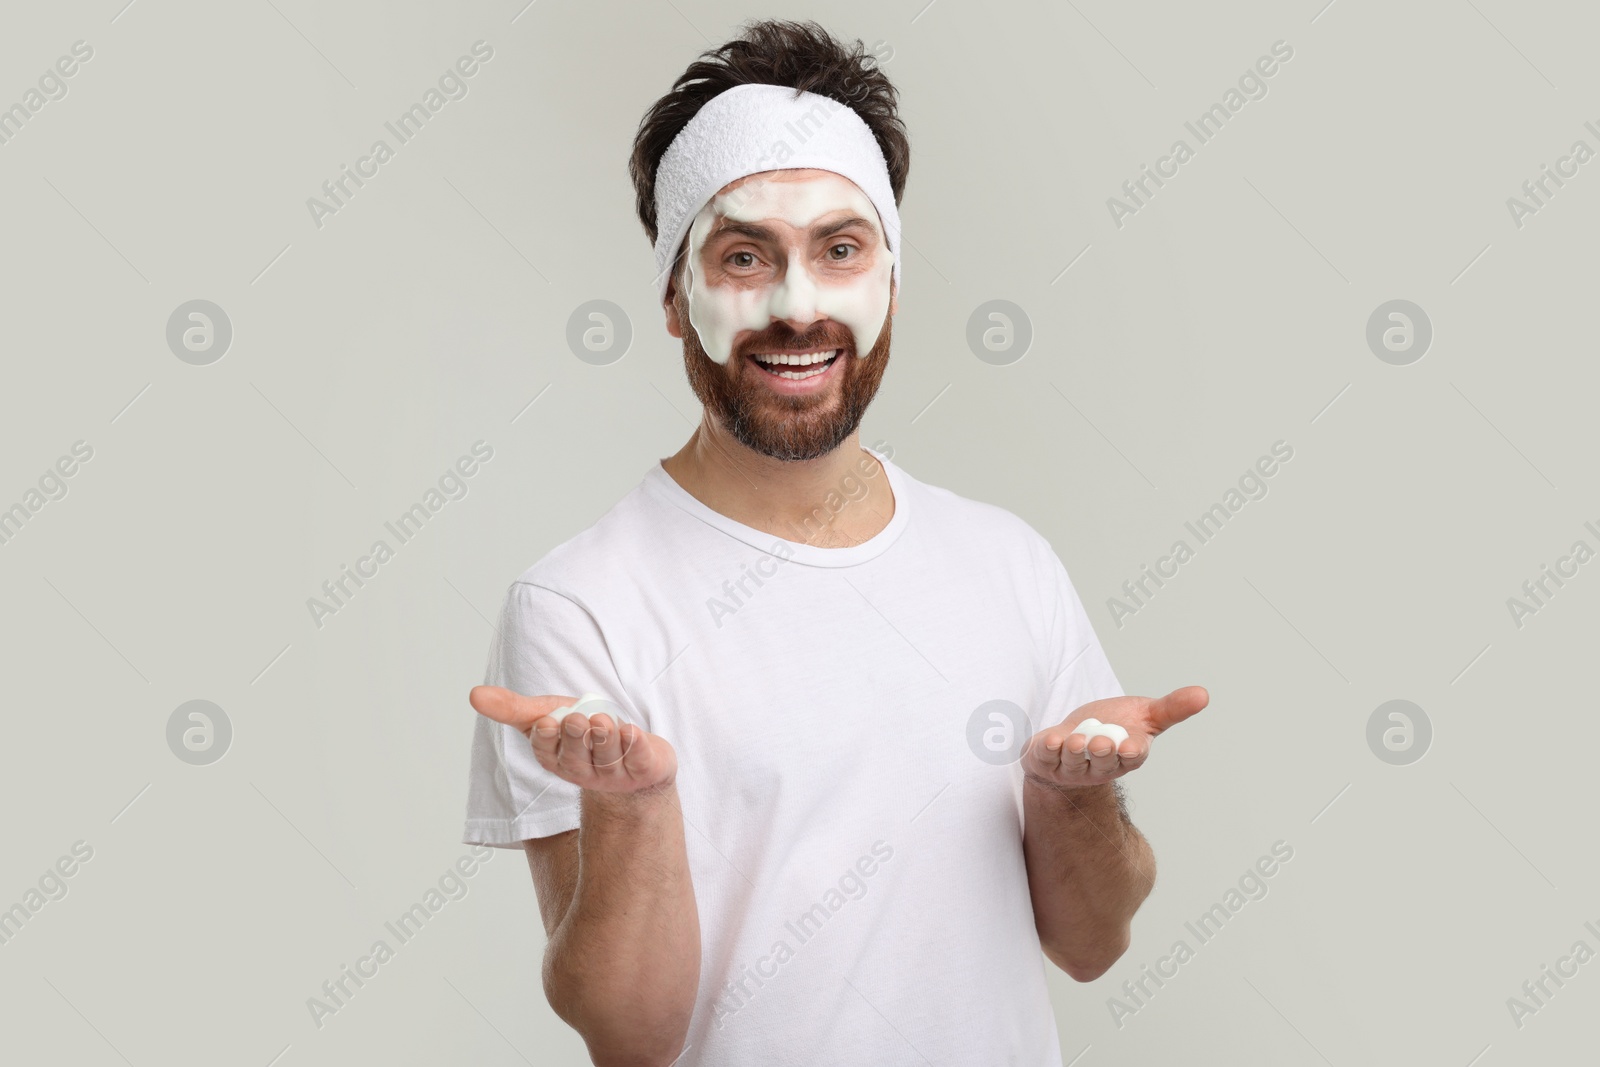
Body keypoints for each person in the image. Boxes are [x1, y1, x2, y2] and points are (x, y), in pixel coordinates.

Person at [461, 19, 1207, 1066]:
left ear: (890, 279)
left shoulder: (1008, 563)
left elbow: (1089, 943)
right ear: (675, 298)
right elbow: (630, 1034)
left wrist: (1069, 798)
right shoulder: (580, 604)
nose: (795, 306)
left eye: (839, 249)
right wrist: (630, 807)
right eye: (742, 256)